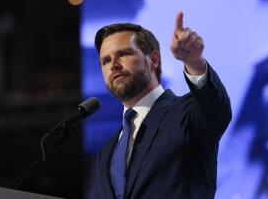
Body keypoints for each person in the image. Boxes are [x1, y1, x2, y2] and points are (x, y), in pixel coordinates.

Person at [92, 11, 232, 199]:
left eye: (123, 54)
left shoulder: (186, 114)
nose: (113, 65)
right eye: (105, 61)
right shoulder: (106, 153)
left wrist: (194, 63)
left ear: (154, 60)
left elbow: (216, 110)